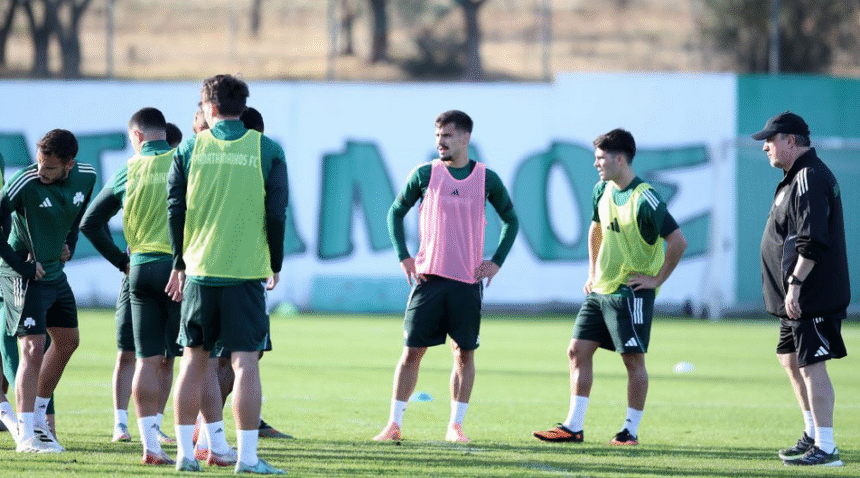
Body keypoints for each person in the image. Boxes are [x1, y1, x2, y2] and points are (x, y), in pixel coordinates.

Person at [533, 128, 687, 446]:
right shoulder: (601, 190)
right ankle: (573, 427)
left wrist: (657, 279)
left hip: (631, 292)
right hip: (601, 289)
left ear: (620, 159)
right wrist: (592, 272)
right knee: (577, 351)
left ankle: (630, 431)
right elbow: (596, 229)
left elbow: (678, 241)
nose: (595, 164)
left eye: (600, 158)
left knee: (632, 361)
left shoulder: (644, 198)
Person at [165, 74, 288, 474]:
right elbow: (276, 213)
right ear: (241, 106)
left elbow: (174, 209)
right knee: (245, 364)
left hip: (200, 271)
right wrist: (275, 262)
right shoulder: (267, 149)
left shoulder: (189, 148)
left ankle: (185, 455)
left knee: (193, 362)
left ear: (210, 107)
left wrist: (179, 262)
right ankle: (247, 458)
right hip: (246, 273)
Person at [374, 110, 519, 443]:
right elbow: (395, 212)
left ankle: (456, 425)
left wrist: (496, 262)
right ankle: (394, 424)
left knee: (464, 354)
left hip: (467, 283)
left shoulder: (487, 179)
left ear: (465, 138)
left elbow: (511, 220)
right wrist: (403, 256)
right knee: (412, 352)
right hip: (429, 281)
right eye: (438, 135)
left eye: (448, 136)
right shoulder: (425, 174)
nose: (441, 142)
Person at [80, 107, 187, 464]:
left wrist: (122, 261)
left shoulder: (129, 169)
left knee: (144, 359)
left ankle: (150, 447)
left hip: (139, 270)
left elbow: (90, 222)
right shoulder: (184, 161)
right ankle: (202, 444)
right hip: (178, 272)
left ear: (137, 136)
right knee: (189, 359)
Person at [752, 111, 848, 467]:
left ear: (790, 141)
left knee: (812, 366)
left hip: (810, 294)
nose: (765, 147)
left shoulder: (809, 177)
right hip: (793, 297)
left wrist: (794, 285)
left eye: (770, 140)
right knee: (789, 359)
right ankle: (811, 433)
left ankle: (827, 447)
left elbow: (813, 240)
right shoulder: (795, 177)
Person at [0, 129, 97, 452]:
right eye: (40, 162)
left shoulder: (87, 176)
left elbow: (76, 216)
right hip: (23, 277)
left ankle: (39, 417)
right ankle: (26, 433)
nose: (41, 170)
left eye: (50, 167)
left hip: (54, 274)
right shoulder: (25, 181)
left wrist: (69, 243)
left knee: (68, 341)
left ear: (69, 164)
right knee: (32, 348)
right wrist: (22, 265)